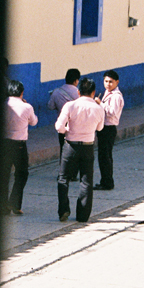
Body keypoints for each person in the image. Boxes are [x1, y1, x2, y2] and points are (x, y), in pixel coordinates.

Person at [55, 78, 105, 222]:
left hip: (70, 145)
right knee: (86, 180)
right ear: (94, 92)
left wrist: (67, 131)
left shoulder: (70, 105)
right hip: (88, 146)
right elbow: (100, 128)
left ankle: (63, 210)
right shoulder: (98, 108)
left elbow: (59, 126)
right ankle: (83, 215)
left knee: (63, 178)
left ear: (78, 91)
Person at [3, 79, 37, 215]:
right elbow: (34, 122)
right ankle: (15, 204)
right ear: (22, 92)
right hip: (19, 146)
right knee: (21, 174)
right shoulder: (27, 107)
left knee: (4, 176)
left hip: (5, 144)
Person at [94, 70, 125, 190]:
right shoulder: (107, 92)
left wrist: (100, 103)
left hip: (109, 128)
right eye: (106, 81)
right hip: (103, 127)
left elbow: (112, 112)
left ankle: (107, 182)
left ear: (117, 82)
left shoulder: (116, 96)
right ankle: (105, 180)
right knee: (103, 156)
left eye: (111, 82)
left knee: (105, 156)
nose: (108, 84)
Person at [48, 68, 81, 162]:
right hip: (75, 124)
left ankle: (62, 171)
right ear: (76, 80)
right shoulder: (78, 93)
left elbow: (50, 106)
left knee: (63, 148)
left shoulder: (56, 92)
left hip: (62, 123)